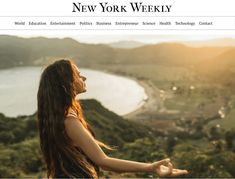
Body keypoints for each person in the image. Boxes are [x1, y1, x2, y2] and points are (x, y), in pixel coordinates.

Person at [37, 59, 189, 178]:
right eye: (77, 74)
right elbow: (104, 162)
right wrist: (151, 168)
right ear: (66, 83)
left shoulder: (60, 116)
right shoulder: (69, 121)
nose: (84, 76)